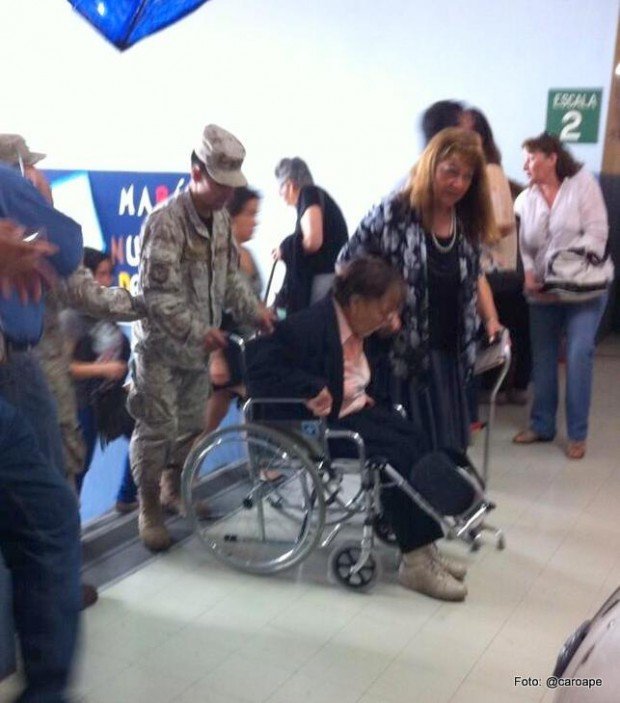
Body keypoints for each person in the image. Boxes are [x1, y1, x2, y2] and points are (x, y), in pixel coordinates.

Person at [248, 257, 469, 601]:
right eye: (384, 309)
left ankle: (422, 546)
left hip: (354, 408)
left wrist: (384, 334)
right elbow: (258, 367)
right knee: (394, 459)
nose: (388, 317)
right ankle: (415, 564)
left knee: (418, 437)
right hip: (323, 426)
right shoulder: (310, 325)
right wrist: (308, 387)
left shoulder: (359, 326)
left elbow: (360, 369)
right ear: (355, 302)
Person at [129, 124, 273, 552]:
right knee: (155, 431)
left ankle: (174, 489)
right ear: (195, 170)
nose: (227, 194)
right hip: (160, 349)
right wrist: (200, 331)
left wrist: (254, 311)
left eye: (233, 186)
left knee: (191, 428)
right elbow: (158, 295)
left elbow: (230, 278)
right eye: (219, 183)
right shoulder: (166, 223)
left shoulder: (222, 220)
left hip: (197, 349)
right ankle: (149, 507)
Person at [338, 128, 501, 452]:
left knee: (451, 449)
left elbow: (474, 276)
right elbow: (346, 264)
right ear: (430, 167)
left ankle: (447, 502)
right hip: (404, 359)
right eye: (450, 171)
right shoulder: (394, 212)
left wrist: (491, 319)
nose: (457, 183)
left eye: (466, 176)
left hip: (452, 354)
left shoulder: (465, 220)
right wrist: (380, 313)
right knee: (412, 450)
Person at [0, 169, 83, 702]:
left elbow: (63, 250)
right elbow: (66, 246)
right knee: (48, 526)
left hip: (14, 368)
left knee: (47, 523)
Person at [512, 133, 611, 460]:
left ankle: (577, 434)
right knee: (543, 358)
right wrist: (530, 273)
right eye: (524, 159)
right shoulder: (525, 199)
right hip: (542, 291)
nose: (525, 165)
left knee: (579, 352)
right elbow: (526, 248)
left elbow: (597, 234)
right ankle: (542, 425)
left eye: (531, 158)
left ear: (552, 157)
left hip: (584, 288)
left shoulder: (583, 184)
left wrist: (563, 269)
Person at [62, 247, 138, 511]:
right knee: (78, 467)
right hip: (83, 402)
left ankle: (128, 496)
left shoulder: (104, 309)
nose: (108, 281)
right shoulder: (72, 317)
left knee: (145, 432)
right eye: (102, 275)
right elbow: (63, 366)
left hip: (110, 396)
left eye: (110, 274)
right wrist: (102, 371)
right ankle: (69, 529)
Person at [466, 108, 531, 405]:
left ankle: (492, 386)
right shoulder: (486, 172)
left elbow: (501, 226)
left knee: (494, 324)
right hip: (494, 266)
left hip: (494, 267)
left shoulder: (490, 172)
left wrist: (468, 231)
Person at [204, 186, 263, 434]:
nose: (255, 221)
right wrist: (215, 357)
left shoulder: (247, 253)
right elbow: (210, 306)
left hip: (247, 343)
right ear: (231, 215)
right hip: (226, 343)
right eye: (249, 214)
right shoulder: (218, 255)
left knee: (216, 417)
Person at [273, 157, 348, 315]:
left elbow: (313, 241)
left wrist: (285, 249)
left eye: (280, 188)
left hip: (325, 278)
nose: (280, 194)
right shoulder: (317, 197)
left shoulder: (309, 193)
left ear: (290, 185)